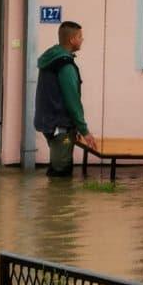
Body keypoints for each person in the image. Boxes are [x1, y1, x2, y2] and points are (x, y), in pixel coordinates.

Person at [34, 20, 98, 177]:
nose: (82, 39)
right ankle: (58, 201)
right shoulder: (65, 66)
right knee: (61, 174)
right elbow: (72, 101)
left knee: (57, 167)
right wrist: (84, 130)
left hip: (48, 123)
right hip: (60, 126)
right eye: (80, 36)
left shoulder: (51, 59)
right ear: (72, 40)